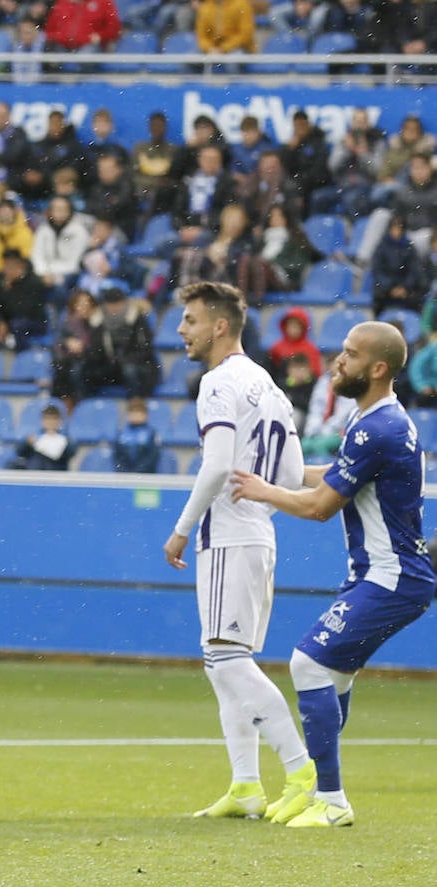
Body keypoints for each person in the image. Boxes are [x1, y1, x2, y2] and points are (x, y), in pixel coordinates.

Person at [231, 321, 435, 827]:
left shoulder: (376, 427)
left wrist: (263, 491)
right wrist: (283, 475)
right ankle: (317, 793)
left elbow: (322, 508)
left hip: (392, 578)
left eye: (349, 354)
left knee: (308, 664)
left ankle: (332, 799)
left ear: (378, 368)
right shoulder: (377, 420)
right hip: (385, 574)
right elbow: (339, 475)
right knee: (332, 677)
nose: (337, 361)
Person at [161, 281, 316, 821]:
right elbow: (293, 475)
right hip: (258, 534)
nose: (182, 330)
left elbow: (218, 464)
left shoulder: (217, 382)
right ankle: (246, 786)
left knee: (228, 662)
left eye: (190, 320)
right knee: (223, 662)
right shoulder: (268, 385)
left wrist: (182, 528)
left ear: (219, 326)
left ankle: (301, 771)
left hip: (227, 535)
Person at [12, 404, 76, 471]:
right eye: (47, 419)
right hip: (34, 475)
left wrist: (63, 443)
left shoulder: (65, 439)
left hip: (56, 475)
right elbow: (19, 451)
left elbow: (72, 451)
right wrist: (27, 442)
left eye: (54, 419)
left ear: (60, 421)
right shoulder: (34, 437)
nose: (51, 422)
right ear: (42, 421)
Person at [112, 398, 162, 473]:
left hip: (146, 477)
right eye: (132, 412)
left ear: (146, 415)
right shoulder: (122, 433)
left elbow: (152, 457)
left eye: (139, 412)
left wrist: (137, 472)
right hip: (124, 477)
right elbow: (117, 456)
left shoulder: (152, 434)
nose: (135, 415)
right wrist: (124, 472)